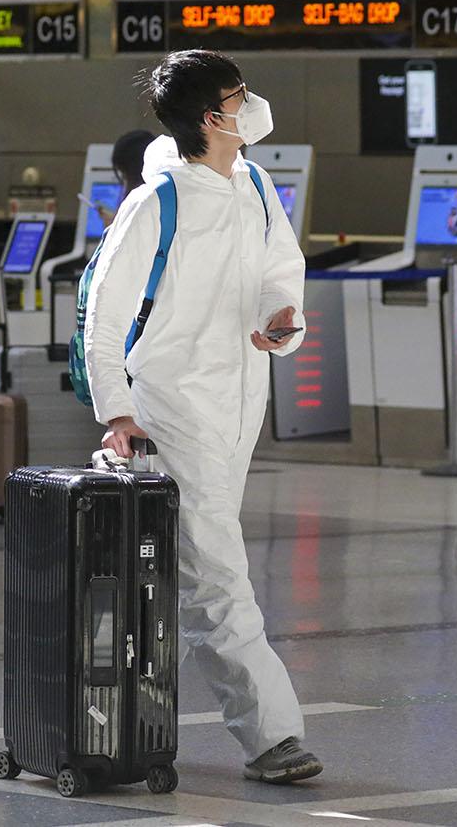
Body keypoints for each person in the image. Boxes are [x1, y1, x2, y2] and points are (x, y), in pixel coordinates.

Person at [82, 49, 320, 784]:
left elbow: (282, 269)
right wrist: (116, 410)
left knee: (200, 564)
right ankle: (273, 736)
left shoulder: (252, 182)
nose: (251, 103)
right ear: (211, 118)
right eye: (238, 95)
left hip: (242, 397)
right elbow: (105, 311)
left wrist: (283, 319)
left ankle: (117, 709)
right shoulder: (157, 202)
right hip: (175, 404)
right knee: (219, 569)